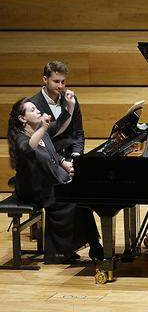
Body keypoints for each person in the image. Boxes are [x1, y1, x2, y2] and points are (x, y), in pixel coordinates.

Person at [7, 97, 102, 264]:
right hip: (34, 189)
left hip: (48, 181)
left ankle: (90, 246)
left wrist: (70, 107)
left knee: (82, 198)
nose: (37, 111)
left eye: (36, 108)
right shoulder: (20, 139)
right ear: (22, 118)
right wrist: (43, 127)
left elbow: (58, 127)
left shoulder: (40, 131)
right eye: (32, 110)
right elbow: (29, 148)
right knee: (73, 201)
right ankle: (60, 252)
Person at [29, 61, 84, 160]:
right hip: (48, 160)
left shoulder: (71, 99)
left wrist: (76, 155)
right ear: (45, 79)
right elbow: (39, 143)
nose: (61, 86)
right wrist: (62, 162)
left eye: (63, 82)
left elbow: (78, 132)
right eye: (56, 81)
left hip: (70, 157)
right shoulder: (33, 106)